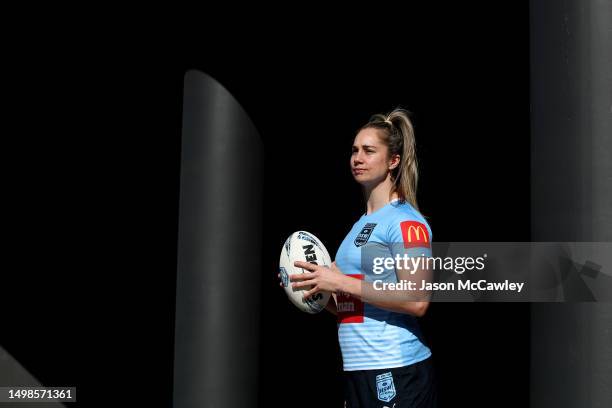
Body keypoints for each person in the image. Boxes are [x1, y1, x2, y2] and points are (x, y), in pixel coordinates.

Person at [285, 108, 437, 407]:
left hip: (396, 368)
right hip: (358, 370)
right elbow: (351, 308)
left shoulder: (405, 222)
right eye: (354, 150)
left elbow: (417, 301)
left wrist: (339, 281)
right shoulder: (359, 227)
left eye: (369, 151)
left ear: (393, 160)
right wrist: (310, 290)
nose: (357, 158)